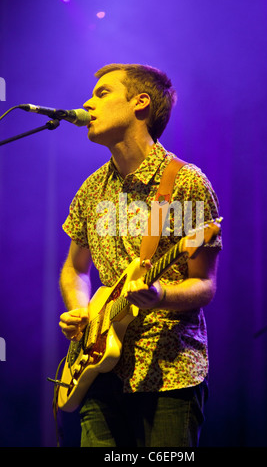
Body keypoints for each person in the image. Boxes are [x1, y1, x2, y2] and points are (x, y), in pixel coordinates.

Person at [58, 63, 222, 447]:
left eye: (102, 93)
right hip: (97, 373)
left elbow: (205, 284)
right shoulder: (91, 189)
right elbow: (74, 269)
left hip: (168, 377)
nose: (87, 103)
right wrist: (81, 311)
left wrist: (161, 295)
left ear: (140, 104)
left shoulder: (184, 183)